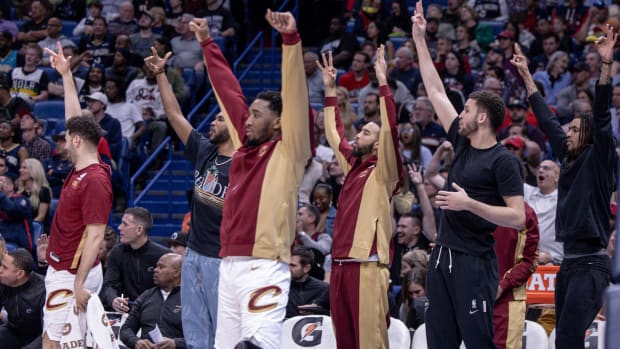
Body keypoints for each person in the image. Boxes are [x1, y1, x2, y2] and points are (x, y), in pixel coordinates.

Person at [193, 11, 311, 349]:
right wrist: (206, 42)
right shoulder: (244, 145)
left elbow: (297, 100)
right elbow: (228, 90)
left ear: (278, 123)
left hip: (265, 265)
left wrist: (290, 41)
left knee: (256, 346)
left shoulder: (289, 151)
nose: (247, 120)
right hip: (227, 264)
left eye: (257, 115)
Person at [411, 2, 525, 348]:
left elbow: (518, 217)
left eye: (467, 110)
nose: (460, 114)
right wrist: (419, 38)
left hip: (474, 263)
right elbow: (435, 91)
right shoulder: (461, 141)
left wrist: (468, 203)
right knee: (439, 342)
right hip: (441, 255)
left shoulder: (503, 160)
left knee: (478, 342)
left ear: (481, 119)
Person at [511, 24, 618, 349]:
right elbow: (546, 119)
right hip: (569, 264)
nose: (567, 133)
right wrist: (527, 75)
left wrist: (605, 64)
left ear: (586, 135)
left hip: (591, 264)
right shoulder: (568, 156)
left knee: (568, 339)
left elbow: (600, 114)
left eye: (573, 129)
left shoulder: (599, 158)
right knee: (565, 340)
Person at [145, 32, 235, 346]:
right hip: (195, 252)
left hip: (223, 258)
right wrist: (160, 75)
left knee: (221, 329)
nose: (213, 121)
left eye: (221, 118)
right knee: (195, 329)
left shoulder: (247, 166)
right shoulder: (205, 150)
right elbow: (174, 115)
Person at [318, 44, 402, 348]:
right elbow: (334, 133)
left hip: (368, 264)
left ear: (380, 145)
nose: (357, 136)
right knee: (346, 344)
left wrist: (382, 82)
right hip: (339, 263)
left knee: (370, 343)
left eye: (365, 132)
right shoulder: (353, 165)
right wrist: (329, 90)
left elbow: (390, 130)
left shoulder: (385, 172)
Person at [40, 41, 113, 349]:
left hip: (71, 274)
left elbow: (96, 238)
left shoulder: (94, 180)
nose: (63, 144)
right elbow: (75, 120)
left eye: (67, 140)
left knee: (52, 342)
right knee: (73, 342)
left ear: (79, 142)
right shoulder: (88, 166)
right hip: (64, 267)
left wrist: (78, 283)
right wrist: (67, 75)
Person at [101, 207, 168, 312]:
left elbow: (167, 292)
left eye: (125, 224)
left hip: (152, 314)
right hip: (123, 312)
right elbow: (109, 284)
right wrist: (113, 300)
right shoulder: (117, 252)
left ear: (139, 230)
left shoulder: (163, 256)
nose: (119, 227)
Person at [492, 203, 539, 349]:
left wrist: (502, 286)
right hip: (474, 296)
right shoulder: (473, 206)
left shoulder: (526, 213)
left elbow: (530, 261)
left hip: (508, 299)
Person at [119, 253, 185, 349]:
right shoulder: (146, 296)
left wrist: (176, 343)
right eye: (156, 266)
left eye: (161, 267)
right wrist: (136, 342)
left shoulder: (190, 299)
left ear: (176, 273)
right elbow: (126, 329)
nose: (155, 270)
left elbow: (201, 335)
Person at [0, 248, 46, 348]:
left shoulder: (43, 290)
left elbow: (48, 334)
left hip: (39, 335)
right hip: (13, 329)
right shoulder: (2, 281)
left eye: (5, 267)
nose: (0, 270)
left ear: (20, 274)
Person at [286, 246, 330, 318]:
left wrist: (317, 312)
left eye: (292, 265)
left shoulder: (324, 289)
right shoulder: (280, 288)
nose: (288, 268)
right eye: (286, 264)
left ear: (306, 268)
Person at [0, 175, 34, 251]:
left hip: (21, 248)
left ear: (11, 186)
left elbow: (12, 210)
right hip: (3, 243)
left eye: (1, 182)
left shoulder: (21, 200)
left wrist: (1, 194)